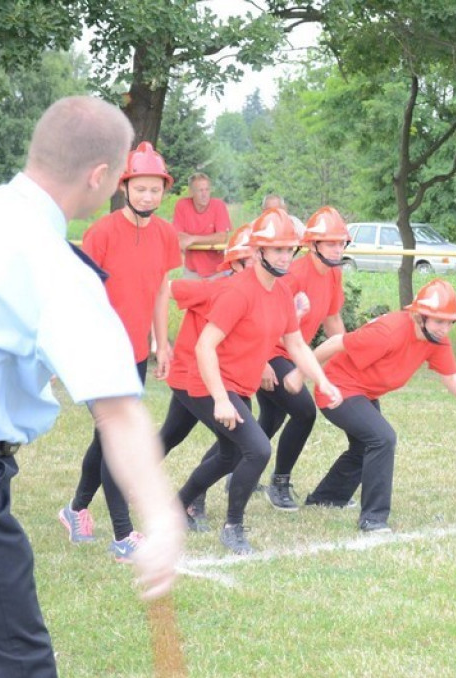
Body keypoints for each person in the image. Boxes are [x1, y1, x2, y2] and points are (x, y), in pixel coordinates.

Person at [0, 96, 183, 678]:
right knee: (13, 667)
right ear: (101, 177)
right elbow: (116, 411)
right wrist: (163, 519)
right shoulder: (54, 264)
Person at [167, 208, 342, 554]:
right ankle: (233, 527)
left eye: (289, 249)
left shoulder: (280, 293)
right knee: (258, 448)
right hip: (209, 384)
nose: (285, 256)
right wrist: (219, 399)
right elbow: (205, 347)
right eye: (277, 249)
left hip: (238, 387)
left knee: (231, 455)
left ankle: (180, 503)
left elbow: (295, 344)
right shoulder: (239, 291)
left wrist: (322, 381)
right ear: (258, 252)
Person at [58, 142, 182, 561]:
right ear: (124, 187)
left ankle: (75, 510)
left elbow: (162, 289)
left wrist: (162, 342)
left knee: (107, 434)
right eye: (140, 188)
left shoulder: (165, 235)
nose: (148, 196)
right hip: (97, 352)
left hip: (135, 355)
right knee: (118, 437)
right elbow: (75, 292)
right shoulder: (103, 232)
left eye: (155, 189)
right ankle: (124, 536)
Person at [303, 278, 456, 533]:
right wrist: (301, 374)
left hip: (364, 391)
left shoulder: (435, 339)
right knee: (382, 438)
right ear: (419, 316)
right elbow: (334, 343)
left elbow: (450, 375)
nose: (445, 328)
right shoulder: (388, 332)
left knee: (365, 444)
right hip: (337, 388)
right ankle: (373, 518)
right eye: (439, 321)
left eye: (450, 322)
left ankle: (328, 496)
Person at [154, 224, 256, 533]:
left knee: (173, 434)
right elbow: (163, 289)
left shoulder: (257, 295)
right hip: (189, 374)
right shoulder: (215, 288)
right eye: (250, 258)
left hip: (213, 376)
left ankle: (150, 487)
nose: (258, 264)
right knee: (235, 444)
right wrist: (160, 342)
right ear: (235, 264)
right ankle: (185, 499)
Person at [255, 206, 349, 511]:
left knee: (270, 420)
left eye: (341, 243)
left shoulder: (333, 273)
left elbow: (333, 320)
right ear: (313, 245)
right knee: (304, 412)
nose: (337, 249)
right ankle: (279, 483)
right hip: (272, 351)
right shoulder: (293, 274)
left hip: (294, 352)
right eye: (330, 243)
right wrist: (262, 362)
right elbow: (262, 319)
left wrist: (346, 356)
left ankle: (234, 469)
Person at [172, 172, 232, 279]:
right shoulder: (182, 205)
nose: (204, 194)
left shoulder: (218, 205)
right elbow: (178, 235)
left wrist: (193, 239)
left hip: (216, 271)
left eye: (207, 189)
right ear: (191, 192)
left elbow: (222, 237)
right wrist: (209, 238)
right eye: (200, 190)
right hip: (191, 270)